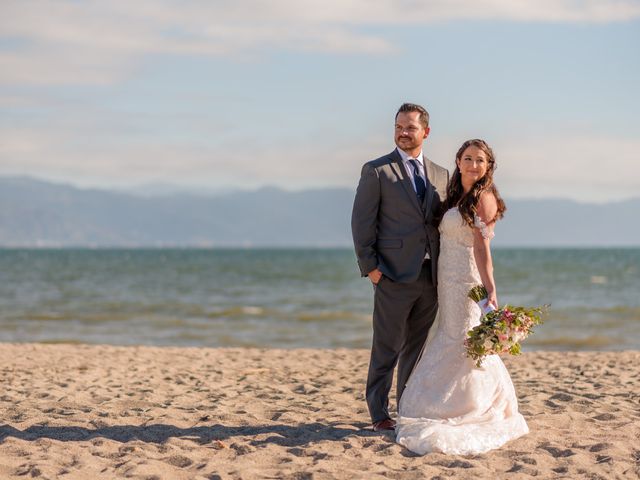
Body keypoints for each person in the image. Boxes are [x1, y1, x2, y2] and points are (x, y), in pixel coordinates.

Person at [395, 139, 529, 455]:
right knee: (451, 335)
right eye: (467, 158)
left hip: (467, 281)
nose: (472, 165)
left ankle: (470, 404)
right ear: (458, 161)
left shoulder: (485, 198)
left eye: (479, 160)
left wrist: (490, 289)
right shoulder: (456, 196)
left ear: (488, 166)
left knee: (465, 340)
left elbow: (483, 249)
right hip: (446, 279)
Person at [351, 103, 449, 432]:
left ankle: (406, 407)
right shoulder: (377, 171)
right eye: (398, 127)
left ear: (426, 132)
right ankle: (378, 413)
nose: (403, 132)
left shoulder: (440, 174)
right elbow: (362, 224)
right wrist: (372, 269)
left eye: (410, 127)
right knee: (387, 346)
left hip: (430, 277)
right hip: (392, 273)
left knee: (415, 349)